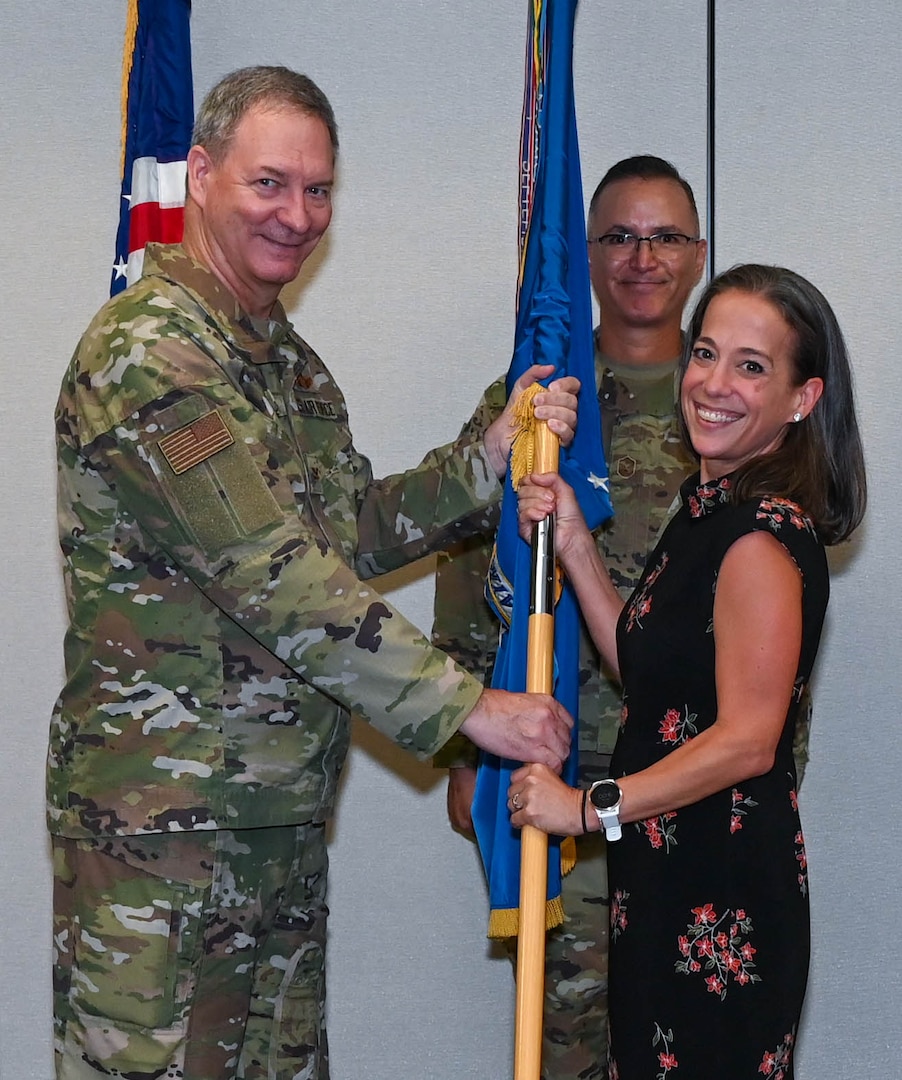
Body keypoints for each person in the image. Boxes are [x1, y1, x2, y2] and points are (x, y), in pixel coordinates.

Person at [48, 66, 582, 1080]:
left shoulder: (285, 366)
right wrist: (470, 708)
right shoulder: (147, 355)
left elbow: (347, 530)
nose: (297, 216)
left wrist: (487, 458)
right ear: (200, 174)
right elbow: (270, 571)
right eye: (268, 184)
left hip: (274, 826)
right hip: (161, 846)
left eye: (318, 190)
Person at [509, 263, 866, 1078]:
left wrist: (588, 806)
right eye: (706, 353)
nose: (714, 383)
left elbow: (747, 742)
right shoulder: (708, 514)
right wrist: (572, 540)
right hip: (666, 883)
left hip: (722, 906)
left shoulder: (759, 537)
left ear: (802, 399)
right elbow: (653, 674)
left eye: (752, 366)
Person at [432, 155, 706, 1079]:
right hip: (560, 763)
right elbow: (476, 564)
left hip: (691, 775)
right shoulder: (536, 403)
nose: (641, 259)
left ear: (697, 256)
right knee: (570, 1031)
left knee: (692, 1027)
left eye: (664, 237)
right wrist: (473, 745)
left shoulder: (726, 407)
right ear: (585, 256)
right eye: (619, 238)